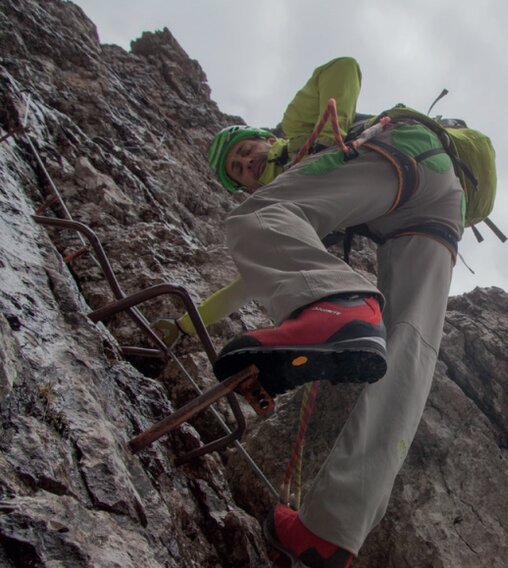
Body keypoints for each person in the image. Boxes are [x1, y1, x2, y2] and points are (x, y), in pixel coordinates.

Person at [184, 57, 464, 568]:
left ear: (265, 137)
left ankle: (338, 307)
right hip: (438, 199)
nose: (250, 167)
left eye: (248, 152)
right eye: (241, 171)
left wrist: (316, 142)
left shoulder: (295, 137)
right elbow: (254, 272)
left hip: (392, 155)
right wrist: (187, 324)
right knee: (409, 351)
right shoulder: (309, 189)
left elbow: (343, 67)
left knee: (258, 216)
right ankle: (331, 532)